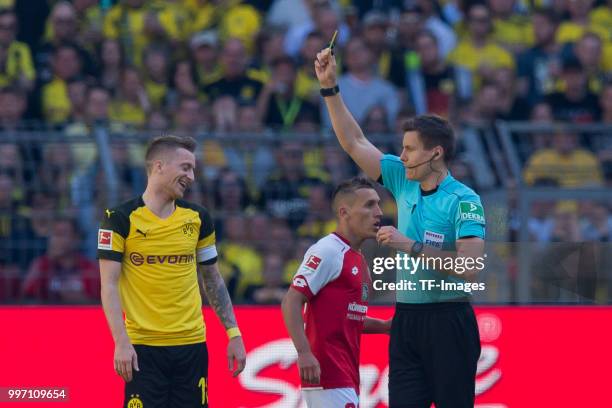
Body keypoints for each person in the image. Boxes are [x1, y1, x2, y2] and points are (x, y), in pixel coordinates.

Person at [315, 46, 486, 407]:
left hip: (449, 320)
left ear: (435, 153)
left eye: (409, 149)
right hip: (406, 318)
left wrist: (410, 246)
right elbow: (354, 141)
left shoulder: (464, 200)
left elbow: (470, 268)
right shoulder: (404, 179)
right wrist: (330, 89)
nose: (402, 156)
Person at [97, 135, 246, 408]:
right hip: (143, 349)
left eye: (193, 169)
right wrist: (120, 341)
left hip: (192, 346)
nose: (191, 176)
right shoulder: (119, 218)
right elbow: (108, 285)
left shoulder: (198, 218)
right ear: (159, 166)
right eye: (185, 167)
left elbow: (212, 278)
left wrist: (233, 333)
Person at [282, 177, 391, 407]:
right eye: (369, 205)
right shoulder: (328, 250)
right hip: (327, 374)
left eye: (378, 204)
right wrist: (304, 353)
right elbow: (292, 300)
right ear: (344, 212)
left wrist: (385, 326)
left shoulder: (358, 259)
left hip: (347, 375)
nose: (379, 212)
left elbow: (349, 316)